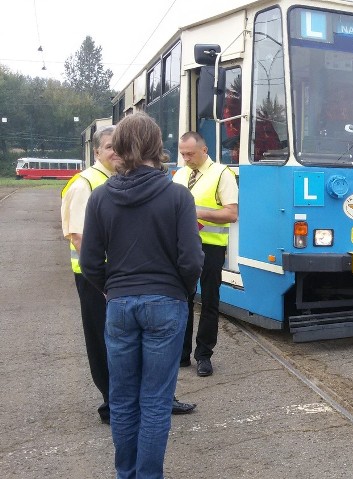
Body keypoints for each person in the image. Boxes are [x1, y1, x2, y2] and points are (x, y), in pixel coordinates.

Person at [79, 112, 204, 478]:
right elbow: (192, 259)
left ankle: (125, 473)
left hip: (119, 306)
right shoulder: (177, 195)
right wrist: (179, 291)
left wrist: (112, 289)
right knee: (155, 401)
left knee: (122, 398)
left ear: (118, 148)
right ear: (156, 146)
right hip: (166, 304)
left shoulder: (100, 197)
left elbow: (89, 261)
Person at [60, 126, 119, 424]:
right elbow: (79, 237)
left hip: (112, 274)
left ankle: (121, 398)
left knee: (118, 338)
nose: (115, 152)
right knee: (101, 338)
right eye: (109, 147)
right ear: (96, 152)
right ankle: (110, 403)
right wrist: (103, 279)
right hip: (95, 276)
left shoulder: (112, 180)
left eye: (119, 146)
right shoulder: (85, 184)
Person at [174, 132, 239, 377]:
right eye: (182, 154)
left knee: (209, 301)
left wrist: (195, 210)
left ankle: (203, 355)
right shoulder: (180, 174)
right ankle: (181, 354)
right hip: (182, 246)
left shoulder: (223, 174)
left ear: (205, 150)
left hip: (210, 247)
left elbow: (231, 214)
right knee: (182, 300)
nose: (186, 158)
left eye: (190, 153)